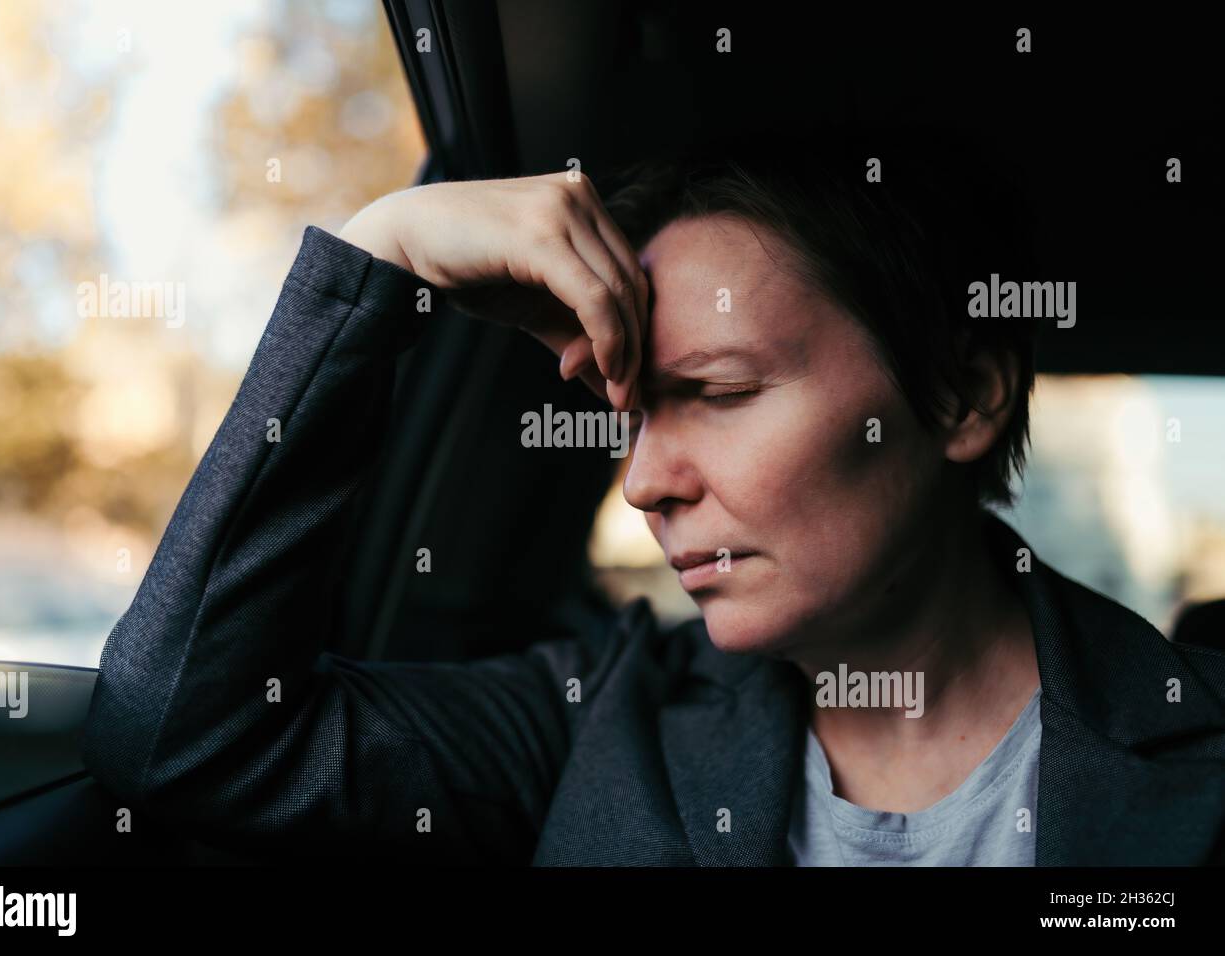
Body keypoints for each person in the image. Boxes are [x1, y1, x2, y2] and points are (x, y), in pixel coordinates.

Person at [81, 133, 1225, 866]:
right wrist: (381, 255)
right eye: (631, 417)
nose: (642, 481)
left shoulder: (1195, 736)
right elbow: (184, 731)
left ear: (959, 395)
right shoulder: (597, 714)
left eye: (719, 393)